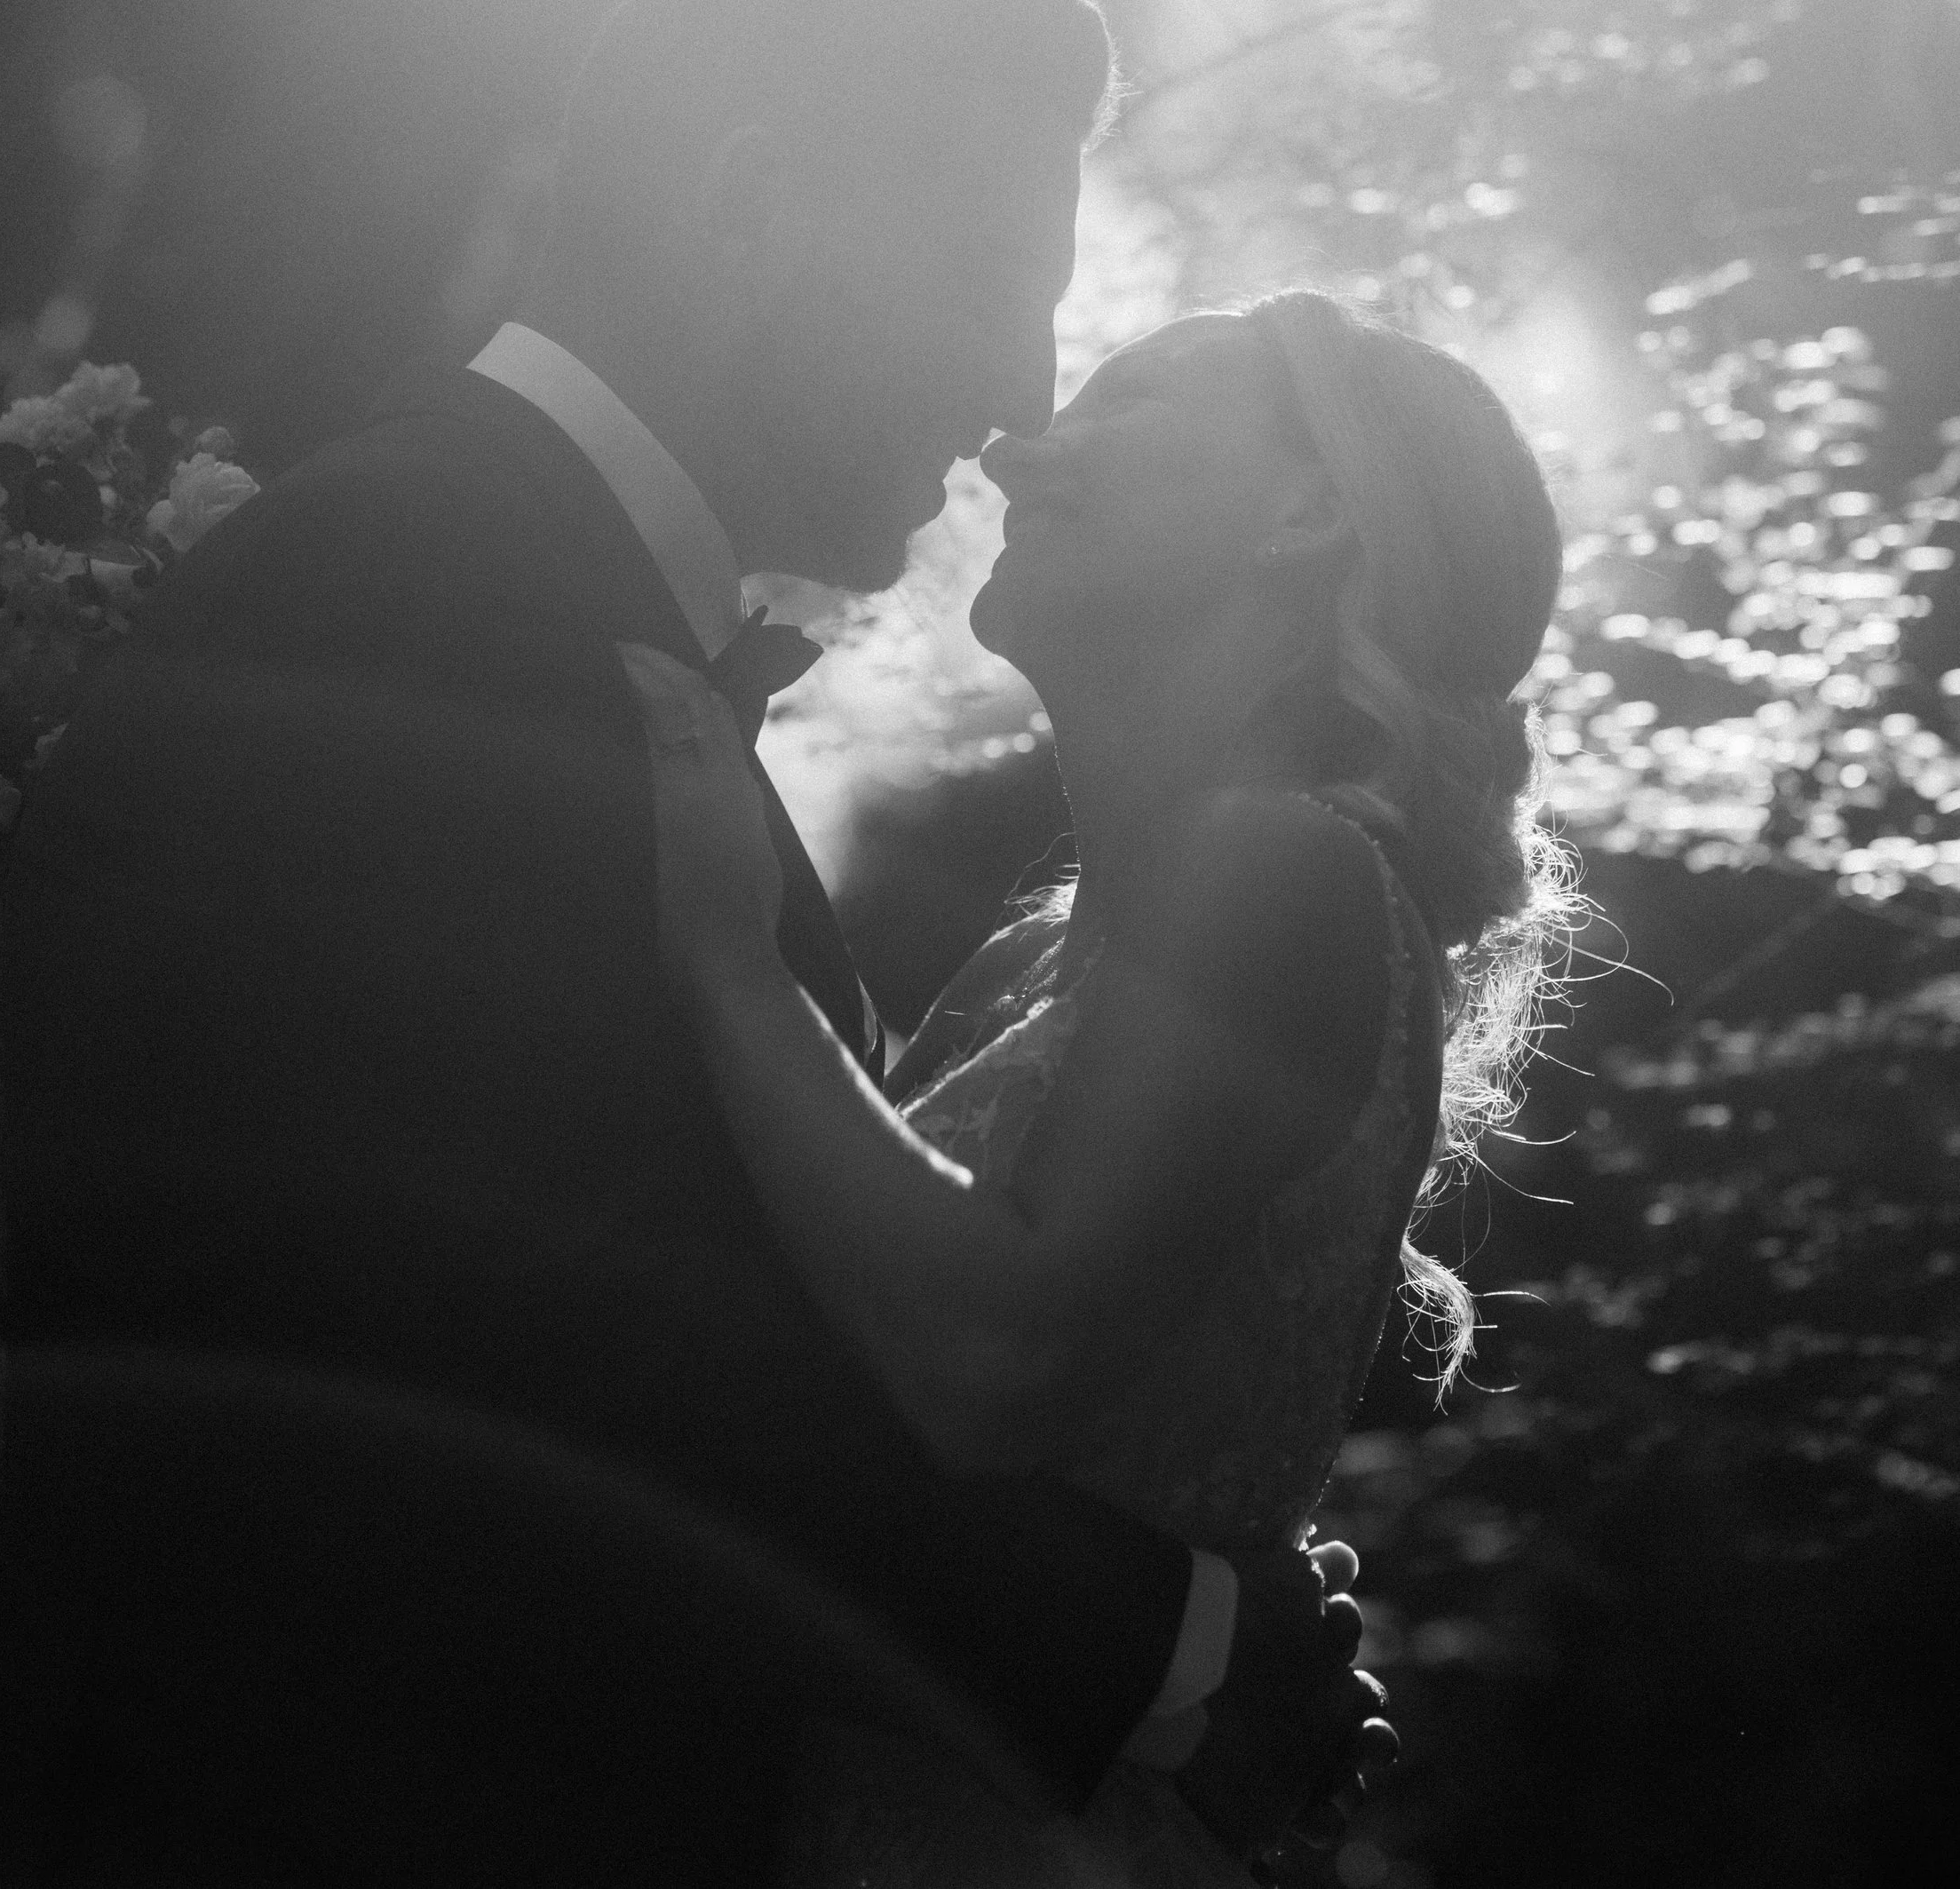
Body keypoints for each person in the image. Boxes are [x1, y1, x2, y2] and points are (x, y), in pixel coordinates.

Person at [0, 4, 1389, 1885]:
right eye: (992, 284)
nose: (1015, 389)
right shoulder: (419, 589)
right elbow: (520, 1341)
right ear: (751, 207)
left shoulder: (511, 591)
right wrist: (1164, 1653)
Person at [616, 288, 1575, 1884]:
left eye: (1127, 400)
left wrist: (726, 959)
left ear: (1305, 514)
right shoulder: (1034, 960)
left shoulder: (1292, 875)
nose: (1014, 449)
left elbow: (993, 1362)